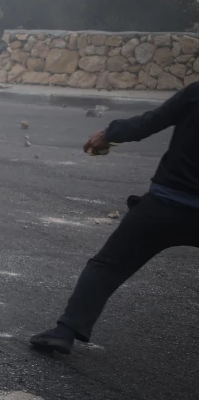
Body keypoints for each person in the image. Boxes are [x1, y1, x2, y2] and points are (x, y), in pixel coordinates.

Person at [30, 82, 199, 355]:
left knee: (107, 266)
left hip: (165, 205)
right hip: (170, 204)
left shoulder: (196, 93)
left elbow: (151, 122)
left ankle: (65, 331)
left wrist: (109, 133)